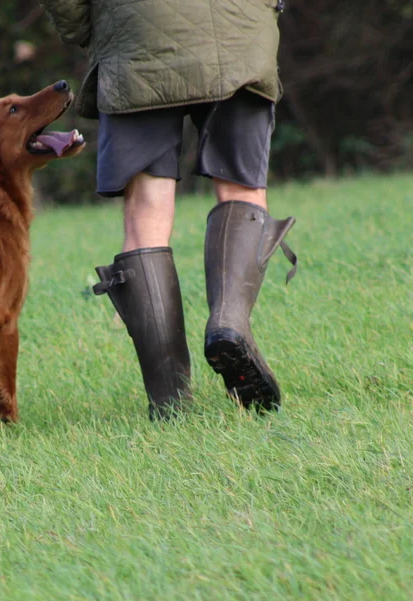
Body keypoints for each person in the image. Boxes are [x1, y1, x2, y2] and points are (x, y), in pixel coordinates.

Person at [40, 0, 298, 417]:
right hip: (238, 27)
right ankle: (229, 325)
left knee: (146, 213)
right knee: (241, 188)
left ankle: (169, 401)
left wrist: (92, 26)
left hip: (135, 35)